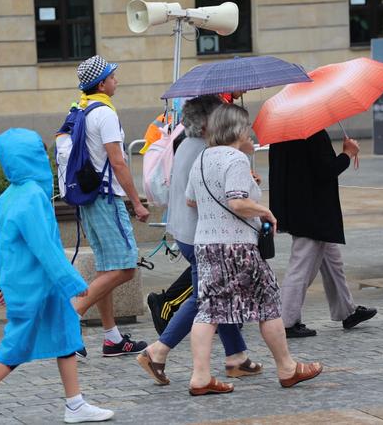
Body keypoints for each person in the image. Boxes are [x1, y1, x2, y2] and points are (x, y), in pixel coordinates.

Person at [0, 128, 113, 425]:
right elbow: (45, 248)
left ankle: (75, 404)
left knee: (66, 335)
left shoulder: (8, 196)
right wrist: (72, 281)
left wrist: (6, 284)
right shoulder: (34, 196)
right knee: (17, 347)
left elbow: (6, 247)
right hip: (37, 286)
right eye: (40, 154)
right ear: (32, 158)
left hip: (32, 285)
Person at [187, 103, 322, 395]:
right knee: (268, 302)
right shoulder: (235, 159)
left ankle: (200, 378)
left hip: (206, 244)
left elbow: (191, 200)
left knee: (208, 310)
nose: (250, 132)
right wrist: (264, 210)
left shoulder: (201, 157)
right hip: (237, 247)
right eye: (246, 126)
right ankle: (287, 368)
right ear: (236, 129)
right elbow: (236, 202)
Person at [137, 95, 263, 386]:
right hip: (202, 234)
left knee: (221, 292)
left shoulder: (186, 145)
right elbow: (215, 198)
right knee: (205, 298)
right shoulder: (206, 150)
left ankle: (236, 357)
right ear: (208, 123)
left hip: (186, 231)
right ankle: (157, 351)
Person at [70, 55, 150, 357]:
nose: (117, 80)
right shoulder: (104, 113)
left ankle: (111, 337)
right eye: (112, 76)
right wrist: (136, 202)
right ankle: (72, 312)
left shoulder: (80, 108)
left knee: (107, 268)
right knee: (127, 267)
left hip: (89, 199)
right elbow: (118, 161)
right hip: (106, 198)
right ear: (101, 83)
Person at [269, 130, 377, 338]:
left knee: (333, 263)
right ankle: (286, 321)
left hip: (297, 208)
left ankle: (347, 311)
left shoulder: (281, 133)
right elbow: (325, 171)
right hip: (313, 213)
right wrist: (347, 154)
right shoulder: (313, 134)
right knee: (300, 267)